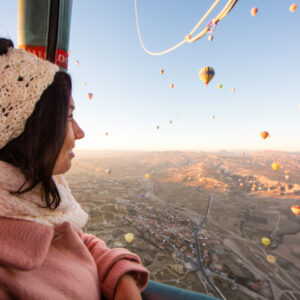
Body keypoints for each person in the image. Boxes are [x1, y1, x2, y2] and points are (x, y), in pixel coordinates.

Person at [0, 38, 149, 300]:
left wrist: (121, 277)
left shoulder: (35, 197)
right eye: (68, 116)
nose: (80, 132)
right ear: (33, 130)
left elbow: (77, 241)